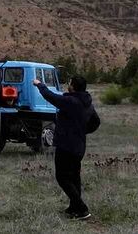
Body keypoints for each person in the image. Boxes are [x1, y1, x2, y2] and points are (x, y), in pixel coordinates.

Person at [33, 75, 97, 221]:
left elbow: (51, 97)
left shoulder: (71, 101)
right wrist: (81, 130)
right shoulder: (87, 103)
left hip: (66, 145)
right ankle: (74, 207)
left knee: (62, 177)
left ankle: (82, 209)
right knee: (74, 177)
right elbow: (96, 122)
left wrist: (39, 84)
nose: (68, 84)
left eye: (69, 83)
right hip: (79, 145)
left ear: (73, 86)